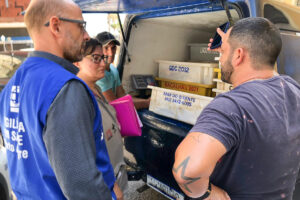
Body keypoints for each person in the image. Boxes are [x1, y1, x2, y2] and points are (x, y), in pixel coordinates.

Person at [173, 17, 300, 200]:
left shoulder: (230, 106)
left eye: (222, 52)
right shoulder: (293, 88)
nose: (219, 58)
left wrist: (209, 193)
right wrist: (229, 49)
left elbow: (187, 172)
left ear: (239, 55)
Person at [0, 0, 116, 199]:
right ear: (56, 26)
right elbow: (82, 186)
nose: (87, 36)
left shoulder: (12, 85)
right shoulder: (66, 88)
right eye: (81, 26)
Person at [75, 38, 128, 200]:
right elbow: (84, 153)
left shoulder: (96, 88)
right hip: (106, 185)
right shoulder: (79, 97)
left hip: (116, 171)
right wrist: (111, 184)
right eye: (95, 59)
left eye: (103, 58)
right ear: (77, 62)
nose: (103, 63)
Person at [95, 31, 150, 109]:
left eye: (113, 48)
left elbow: (122, 96)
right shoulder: (99, 75)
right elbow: (115, 105)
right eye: (106, 48)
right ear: (98, 50)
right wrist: (146, 103)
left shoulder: (113, 70)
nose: (111, 53)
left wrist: (147, 101)